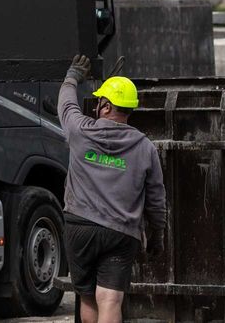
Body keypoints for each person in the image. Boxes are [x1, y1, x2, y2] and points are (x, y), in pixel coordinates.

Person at [58, 55, 166, 323]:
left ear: (105, 106)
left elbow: (66, 104)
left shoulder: (81, 131)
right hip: (121, 232)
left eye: (98, 103)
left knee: (87, 295)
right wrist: (157, 233)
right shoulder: (144, 147)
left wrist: (72, 76)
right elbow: (155, 197)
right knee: (110, 299)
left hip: (80, 227)